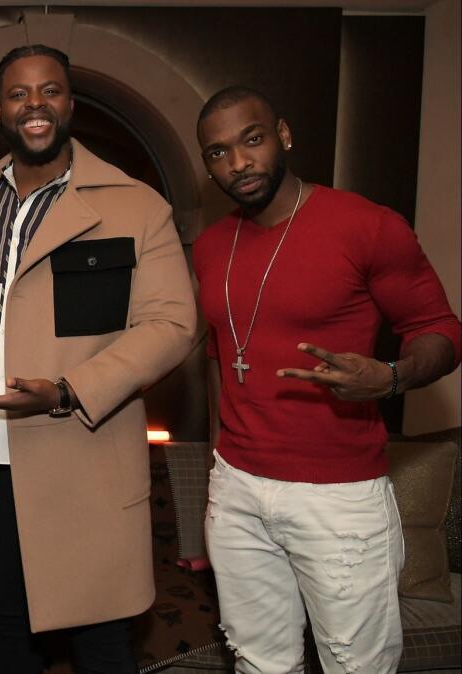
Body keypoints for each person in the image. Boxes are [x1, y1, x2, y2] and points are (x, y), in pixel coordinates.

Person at [193, 86, 461, 673]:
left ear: (283, 135)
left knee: (355, 666)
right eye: (217, 153)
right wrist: (219, 462)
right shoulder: (212, 246)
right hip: (237, 489)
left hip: (336, 495)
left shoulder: (366, 225)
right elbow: (220, 353)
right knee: (258, 663)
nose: (237, 163)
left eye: (252, 140)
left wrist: (391, 377)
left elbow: (441, 330)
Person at [0, 45, 197, 672]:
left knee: (102, 641)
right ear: (0, 109)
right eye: (18, 93)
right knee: (7, 632)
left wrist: (67, 390)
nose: (35, 105)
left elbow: (171, 324)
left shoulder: (136, 206)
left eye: (49, 90)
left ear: (70, 102)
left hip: (83, 454)